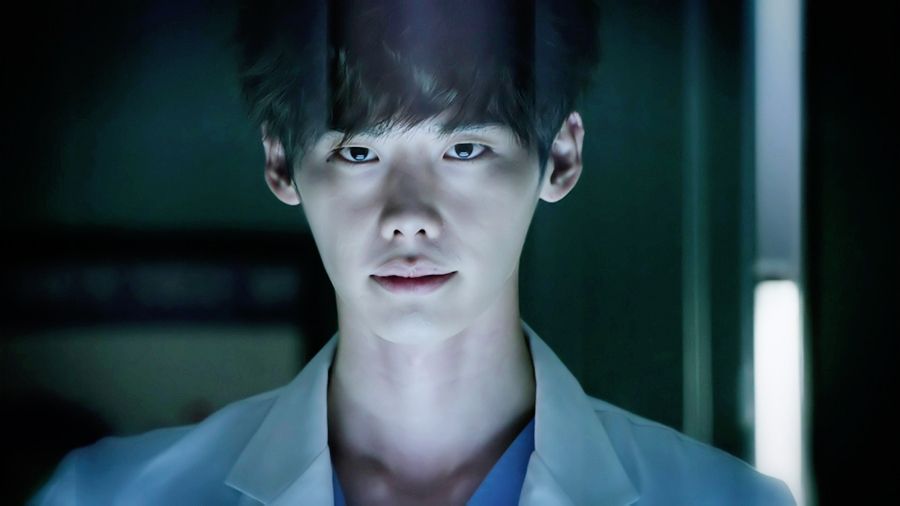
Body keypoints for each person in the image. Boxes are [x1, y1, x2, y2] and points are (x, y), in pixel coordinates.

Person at [31, 0, 795, 504]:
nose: (408, 217)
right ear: (279, 161)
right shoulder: (105, 497)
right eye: (358, 153)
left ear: (561, 155)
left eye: (464, 149)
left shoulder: (726, 502)